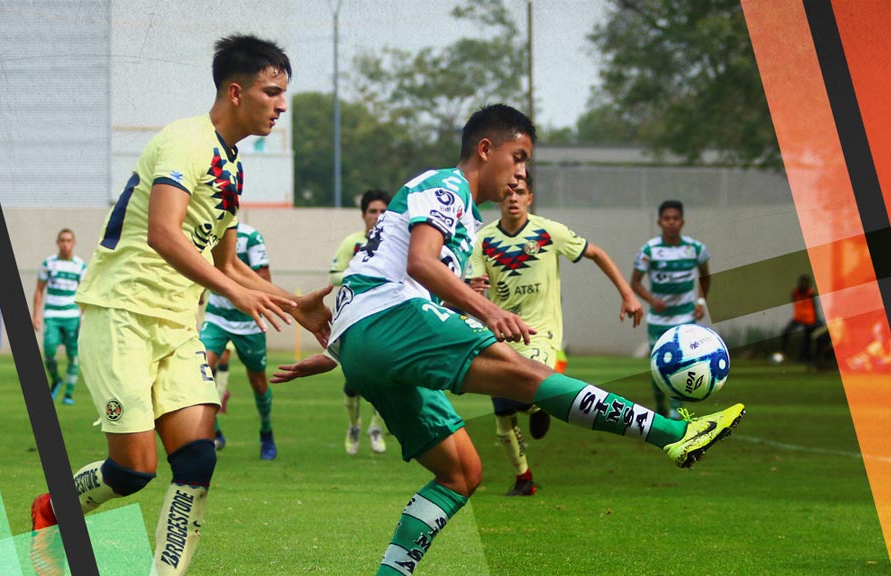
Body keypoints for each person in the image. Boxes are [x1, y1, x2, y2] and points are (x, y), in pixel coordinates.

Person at [272, 104, 744, 576]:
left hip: (364, 339)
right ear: (485, 149)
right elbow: (420, 263)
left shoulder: (467, 217)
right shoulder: (447, 186)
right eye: (517, 157)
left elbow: (393, 278)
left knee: (461, 475)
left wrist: (337, 352)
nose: (521, 172)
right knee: (529, 375)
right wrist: (488, 309)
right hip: (388, 318)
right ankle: (675, 434)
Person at [29, 35, 331, 576]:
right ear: (236, 92)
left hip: (177, 326)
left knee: (197, 459)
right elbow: (164, 235)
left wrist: (295, 305)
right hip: (121, 313)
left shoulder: (233, 167)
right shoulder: (183, 142)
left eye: (284, 93)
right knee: (134, 470)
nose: (282, 105)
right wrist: (233, 291)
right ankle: (52, 510)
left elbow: (230, 263)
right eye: (273, 92)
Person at [467, 176, 643, 496]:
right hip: (503, 334)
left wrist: (628, 294)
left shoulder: (547, 232)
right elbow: (472, 286)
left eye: (519, 192)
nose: (513, 198)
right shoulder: (483, 241)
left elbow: (597, 253)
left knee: (515, 394)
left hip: (541, 334)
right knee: (503, 415)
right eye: (506, 193)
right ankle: (524, 479)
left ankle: (536, 405)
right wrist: (471, 287)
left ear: (529, 197)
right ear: (497, 200)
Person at [200, 221, 278, 459]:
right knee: (198, 371)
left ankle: (266, 432)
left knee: (258, 382)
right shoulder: (206, 231)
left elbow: (263, 277)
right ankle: (213, 432)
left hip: (248, 321)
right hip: (216, 318)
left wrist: (233, 283)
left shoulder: (250, 236)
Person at [629, 200, 710, 418]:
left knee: (682, 364)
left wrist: (701, 303)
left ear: (682, 222)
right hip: (659, 320)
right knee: (658, 368)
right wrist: (652, 300)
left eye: (675, 218)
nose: (671, 223)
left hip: (685, 318)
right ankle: (660, 404)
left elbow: (706, 276)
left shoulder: (695, 249)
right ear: (660, 222)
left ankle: (675, 410)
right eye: (667, 219)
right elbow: (634, 282)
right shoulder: (650, 250)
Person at [329, 189, 391, 455]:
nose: (378, 216)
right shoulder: (352, 243)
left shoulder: (394, 242)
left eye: (382, 211)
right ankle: (354, 426)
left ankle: (376, 427)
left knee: (384, 378)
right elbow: (333, 275)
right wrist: (361, 278)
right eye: (372, 211)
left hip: (386, 317)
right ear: (363, 215)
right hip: (354, 317)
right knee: (352, 380)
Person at [32, 228, 87, 405]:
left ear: (74, 243)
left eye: (68, 240)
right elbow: (39, 290)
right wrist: (36, 315)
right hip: (52, 315)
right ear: (57, 243)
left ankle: (68, 394)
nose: (65, 244)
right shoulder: (48, 263)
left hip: (72, 316)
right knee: (48, 349)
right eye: (62, 240)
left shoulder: (80, 265)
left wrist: (83, 317)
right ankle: (56, 378)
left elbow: (85, 293)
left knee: (73, 355)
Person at [772, 274, 822, 365]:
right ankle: (783, 352)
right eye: (802, 283)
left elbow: (815, 307)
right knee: (785, 332)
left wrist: (815, 319)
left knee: (808, 338)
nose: (803, 285)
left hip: (809, 319)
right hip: (798, 317)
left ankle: (806, 357)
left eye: (805, 283)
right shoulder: (795, 292)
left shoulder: (810, 293)